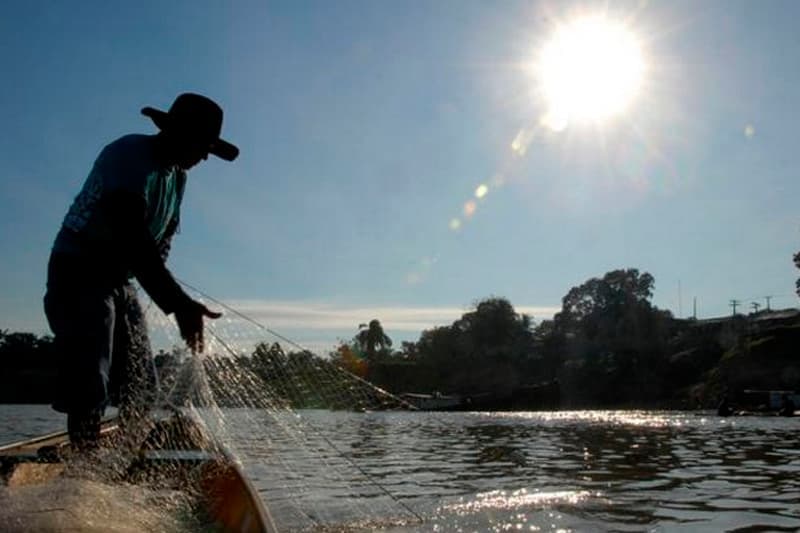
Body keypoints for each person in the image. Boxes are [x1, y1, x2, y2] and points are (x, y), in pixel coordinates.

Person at [44, 93, 238, 449]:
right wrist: (178, 303)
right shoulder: (130, 156)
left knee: (141, 385)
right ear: (176, 133)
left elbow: (158, 244)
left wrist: (168, 294)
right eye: (202, 145)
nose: (205, 156)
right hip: (79, 270)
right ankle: (83, 471)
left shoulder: (177, 178)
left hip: (120, 280)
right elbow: (132, 235)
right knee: (90, 377)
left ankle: (126, 457)